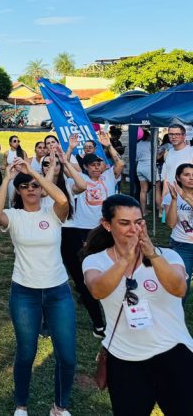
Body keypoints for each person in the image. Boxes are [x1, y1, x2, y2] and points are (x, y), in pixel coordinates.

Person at [82, 194, 193, 416]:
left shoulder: (168, 256)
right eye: (124, 223)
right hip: (124, 360)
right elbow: (97, 290)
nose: (134, 229)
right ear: (107, 224)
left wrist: (151, 254)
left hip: (173, 353)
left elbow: (179, 288)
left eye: (138, 222)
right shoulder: (95, 262)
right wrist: (124, 260)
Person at [0, 156, 75, 416]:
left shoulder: (53, 212)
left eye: (34, 186)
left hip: (58, 291)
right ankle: (21, 405)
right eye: (24, 185)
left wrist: (35, 174)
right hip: (24, 292)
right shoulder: (14, 217)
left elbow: (63, 200)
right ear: (18, 191)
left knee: (67, 356)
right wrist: (7, 177)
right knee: (26, 353)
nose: (30, 189)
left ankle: (59, 407)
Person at [62, 130, 124, 338]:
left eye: (99, 163)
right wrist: (70, 149)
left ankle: (114, 312)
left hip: (105, 229)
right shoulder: (77, 181)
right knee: (86, 273)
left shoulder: (109, 177)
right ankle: (98, 322)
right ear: (86, 168)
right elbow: (67, 167)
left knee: (111, 268)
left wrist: (107, 147)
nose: (97, 167)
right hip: (82, 231)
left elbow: (120, 165)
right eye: (93, 165)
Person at [162, 163, 193, 301]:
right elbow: (170, 223)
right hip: (182, 244)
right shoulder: (170, 196)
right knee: (181, 286)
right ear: (178, 178)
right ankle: (177, 318)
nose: (191, 178)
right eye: (187, 175)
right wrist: (175, 199)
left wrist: (185, 197)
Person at [135, 129, 153, 216]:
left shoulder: (136, 145)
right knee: (157, 187)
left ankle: (143, 211)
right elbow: (155, 156)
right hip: (149, 165)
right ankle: (161, 212)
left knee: (143, 190)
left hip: (139, 166)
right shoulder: (149, 144)